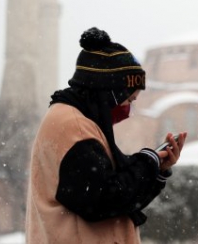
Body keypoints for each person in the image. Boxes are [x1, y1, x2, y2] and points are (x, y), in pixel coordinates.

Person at [26, 27, 187, 244]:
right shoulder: (74, 126)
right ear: (110, 92)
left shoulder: (77, 120)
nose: (127, 111)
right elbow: (104, 198)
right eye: (129, 100)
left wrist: (156, 168)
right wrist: (147, 164)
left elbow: (115, 190)